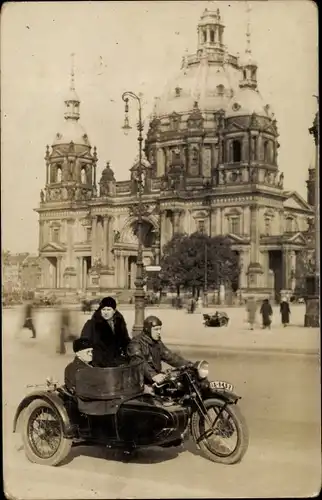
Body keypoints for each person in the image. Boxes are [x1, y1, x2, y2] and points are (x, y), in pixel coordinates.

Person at [127, 315, 192, 386]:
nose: (159, 332)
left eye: (160, 329)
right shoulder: (135, 343)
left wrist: (190, 365)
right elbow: (139, 362)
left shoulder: (157, 343)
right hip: (140, 383)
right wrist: (153, 375)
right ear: (147, 329)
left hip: (155, 380)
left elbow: (170, 356)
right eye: (156, 329)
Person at [80, 296, 131, 367]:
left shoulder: (119, 323)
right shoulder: (92, 324)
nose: (106, 312)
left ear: (114, 311)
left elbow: (125, 341)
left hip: (115, 363)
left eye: (108, 309)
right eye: (103, 309)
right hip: (98, 363)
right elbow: (84, 343)